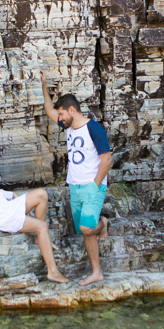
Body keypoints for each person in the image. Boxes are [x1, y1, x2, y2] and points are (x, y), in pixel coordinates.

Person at [0, 132, 69, 284]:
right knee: (42, 226)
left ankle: (39, 239)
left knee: (41, 194)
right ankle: (53, 271)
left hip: (5, 205)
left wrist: (9, 194)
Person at [39, 71, 112, 286]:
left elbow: (107, 159)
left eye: (62, 114)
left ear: (72, 110)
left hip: (92, 186)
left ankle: (103, 223)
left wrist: (95, 185)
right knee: (84, 230)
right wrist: (44, 84)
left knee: (88, 228)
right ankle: (96, 273)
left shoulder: (93, 128)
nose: (59, 118)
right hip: (75, 186)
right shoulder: (69, 126)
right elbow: (48, 109)